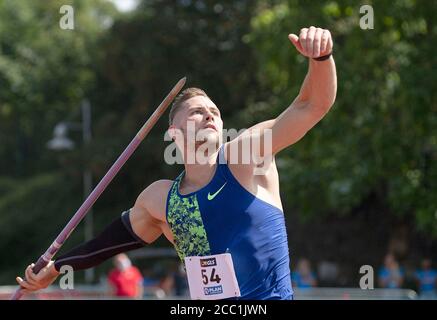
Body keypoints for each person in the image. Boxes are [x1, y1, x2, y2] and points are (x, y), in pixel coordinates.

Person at [16, 26, 337, 300]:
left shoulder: (245, 156)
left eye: (214, 111)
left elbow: (311, 105)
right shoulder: (161, 199)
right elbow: (105, 244)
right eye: (197, 112)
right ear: (174, 132)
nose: (210, 114)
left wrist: (320, 58)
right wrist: (57, 268)